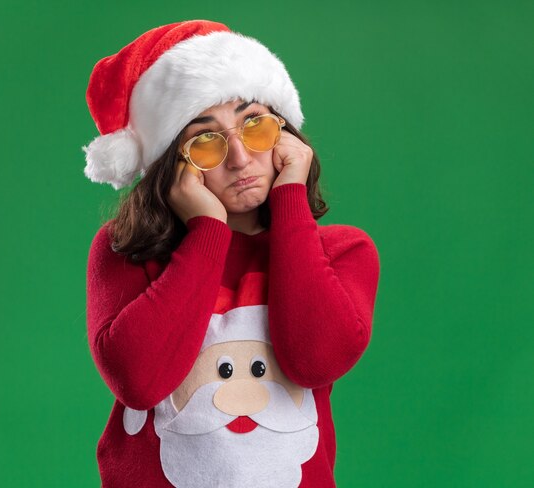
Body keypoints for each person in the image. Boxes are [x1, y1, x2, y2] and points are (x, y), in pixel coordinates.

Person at [83, 20, 380, 488]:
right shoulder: (124, 250)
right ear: (172, 163)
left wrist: (290, 198)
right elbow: (139, 382)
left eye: (255, 125)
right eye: (205, 140)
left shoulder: (344, 251)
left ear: (285, 135)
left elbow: (316, 360)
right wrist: (206, 231)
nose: (240, 158)